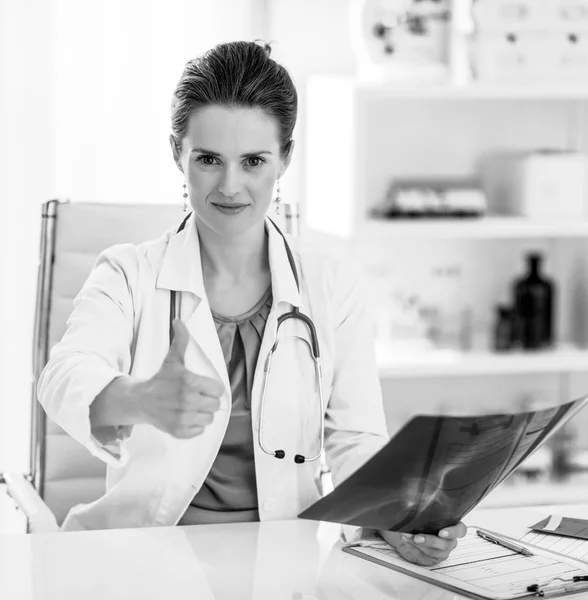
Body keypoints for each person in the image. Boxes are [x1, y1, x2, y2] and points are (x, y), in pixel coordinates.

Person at [37, 40, 465, 565]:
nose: (231, 186)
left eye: (254, 161)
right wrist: (136, 398)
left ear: (285, 157)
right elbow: (63, 376)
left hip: (284, 559)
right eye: (209, 159)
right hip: (145, 557)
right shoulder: (128, 273)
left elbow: (353, 439)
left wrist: (397, 518)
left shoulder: (331, 285)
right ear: (178, 153)